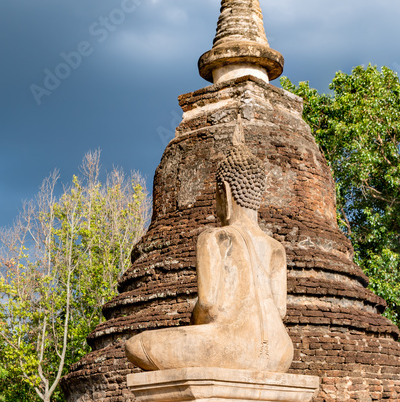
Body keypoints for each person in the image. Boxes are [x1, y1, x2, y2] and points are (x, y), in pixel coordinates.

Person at [125, 140, 293, 373]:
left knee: (138, 345)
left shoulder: (214, 237)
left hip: (232, 346)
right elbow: (280, 312)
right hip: (280, 353)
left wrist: (195, 318)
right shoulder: (276, 248)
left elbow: (208, 305)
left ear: (223, 190)